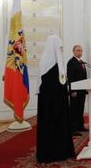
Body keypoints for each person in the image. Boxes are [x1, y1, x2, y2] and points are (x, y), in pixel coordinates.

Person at [36, 35, 75, 163]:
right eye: (60, 47)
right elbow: (47, 88)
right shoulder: (46, 65)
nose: (62, 50)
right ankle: (52, 153)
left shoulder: (59, 65)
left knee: (61, 126)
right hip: (50, 105)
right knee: (51, 127)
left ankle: (63, 151)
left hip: (59, 103)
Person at [67, 45, 88, 136]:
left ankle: (80, 126)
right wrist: (72, 91)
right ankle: (73, 128)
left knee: (80, 108)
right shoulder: (71, 62)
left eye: (81, 51)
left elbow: (84, 76)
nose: (80, 52)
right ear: (73, 51)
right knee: (74, 109)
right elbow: (70, 77)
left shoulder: (81, 62)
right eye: (78, 50)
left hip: (82, 90)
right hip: (75, 91)